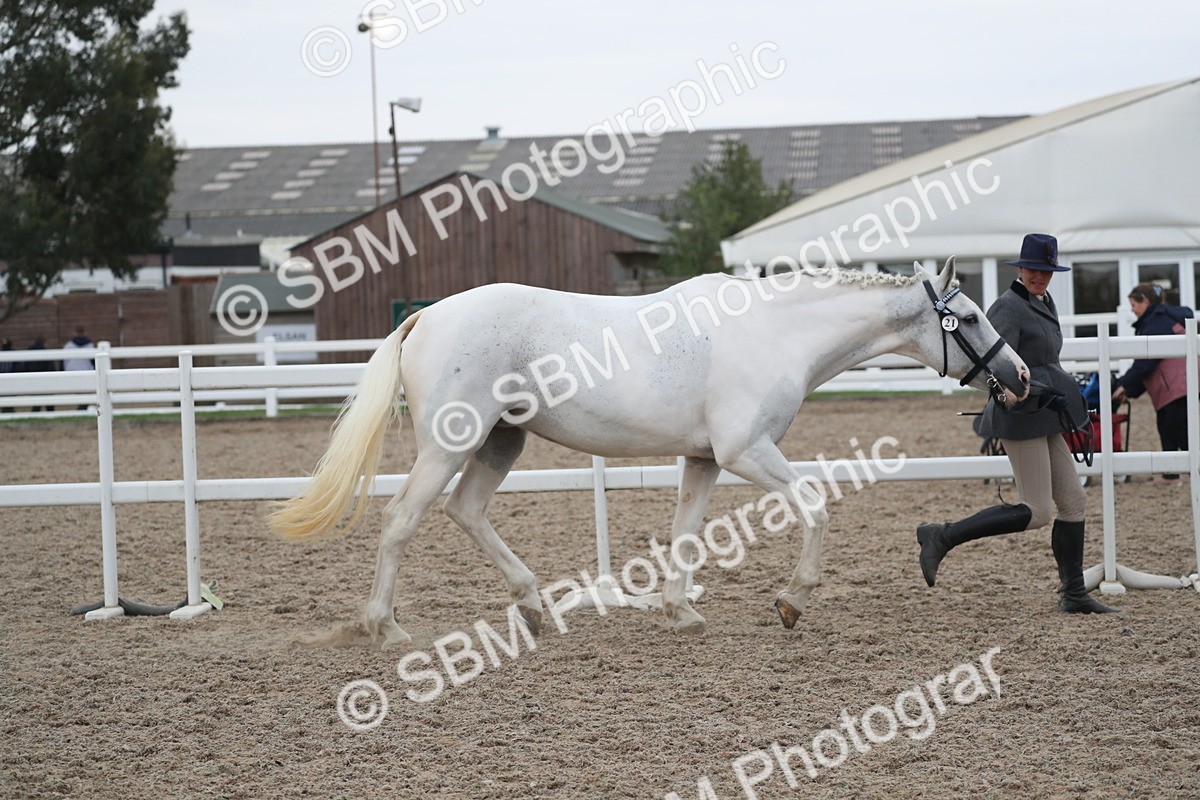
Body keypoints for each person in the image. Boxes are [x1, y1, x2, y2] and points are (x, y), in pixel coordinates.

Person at [916, 233, 1116, 613]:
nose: (1040, 277)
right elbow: (997, 370)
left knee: (1074, 501)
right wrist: (1039, 391)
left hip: (1048, 416)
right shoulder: (1007, 307)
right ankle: (941, 536)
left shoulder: (1043, 302)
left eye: (1046, 271)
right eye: (1034, 270)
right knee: (1037, 511)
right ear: (1021, 269)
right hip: (1020, 416)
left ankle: (1074, 594)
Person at [1112, 284, 1195, 485]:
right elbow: (1149, 366)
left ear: (1145, 301)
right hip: (1177, 383)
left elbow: (1145, 363)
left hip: (1176, 384)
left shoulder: (1155, 322)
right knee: (1166, 425)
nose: (1132, 310)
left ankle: (1194, 466)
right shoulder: (1161, 319)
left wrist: (1125, 385)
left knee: (1176, 426)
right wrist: (1129, 388)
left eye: (1134, 304)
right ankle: (1171, 474)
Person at [62, 326, 95, 410]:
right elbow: (93, 361)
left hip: (73, 371)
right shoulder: (90, 345)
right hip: (86, 372)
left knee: (80, 393)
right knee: (86, 394)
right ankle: (81, 409)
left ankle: (80, 409)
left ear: (75, 333)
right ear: (84, 333)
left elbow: (64, 360)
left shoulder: (68, 346)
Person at [24, 336, 59, 412]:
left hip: (33, 380)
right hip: (46, 380)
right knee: (49, 402)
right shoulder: (45, 351)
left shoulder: (29, 351)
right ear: (44, 342)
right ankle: (51, 414)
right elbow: (51, 367)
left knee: (36, 402)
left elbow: (25, 366)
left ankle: (34, 415)